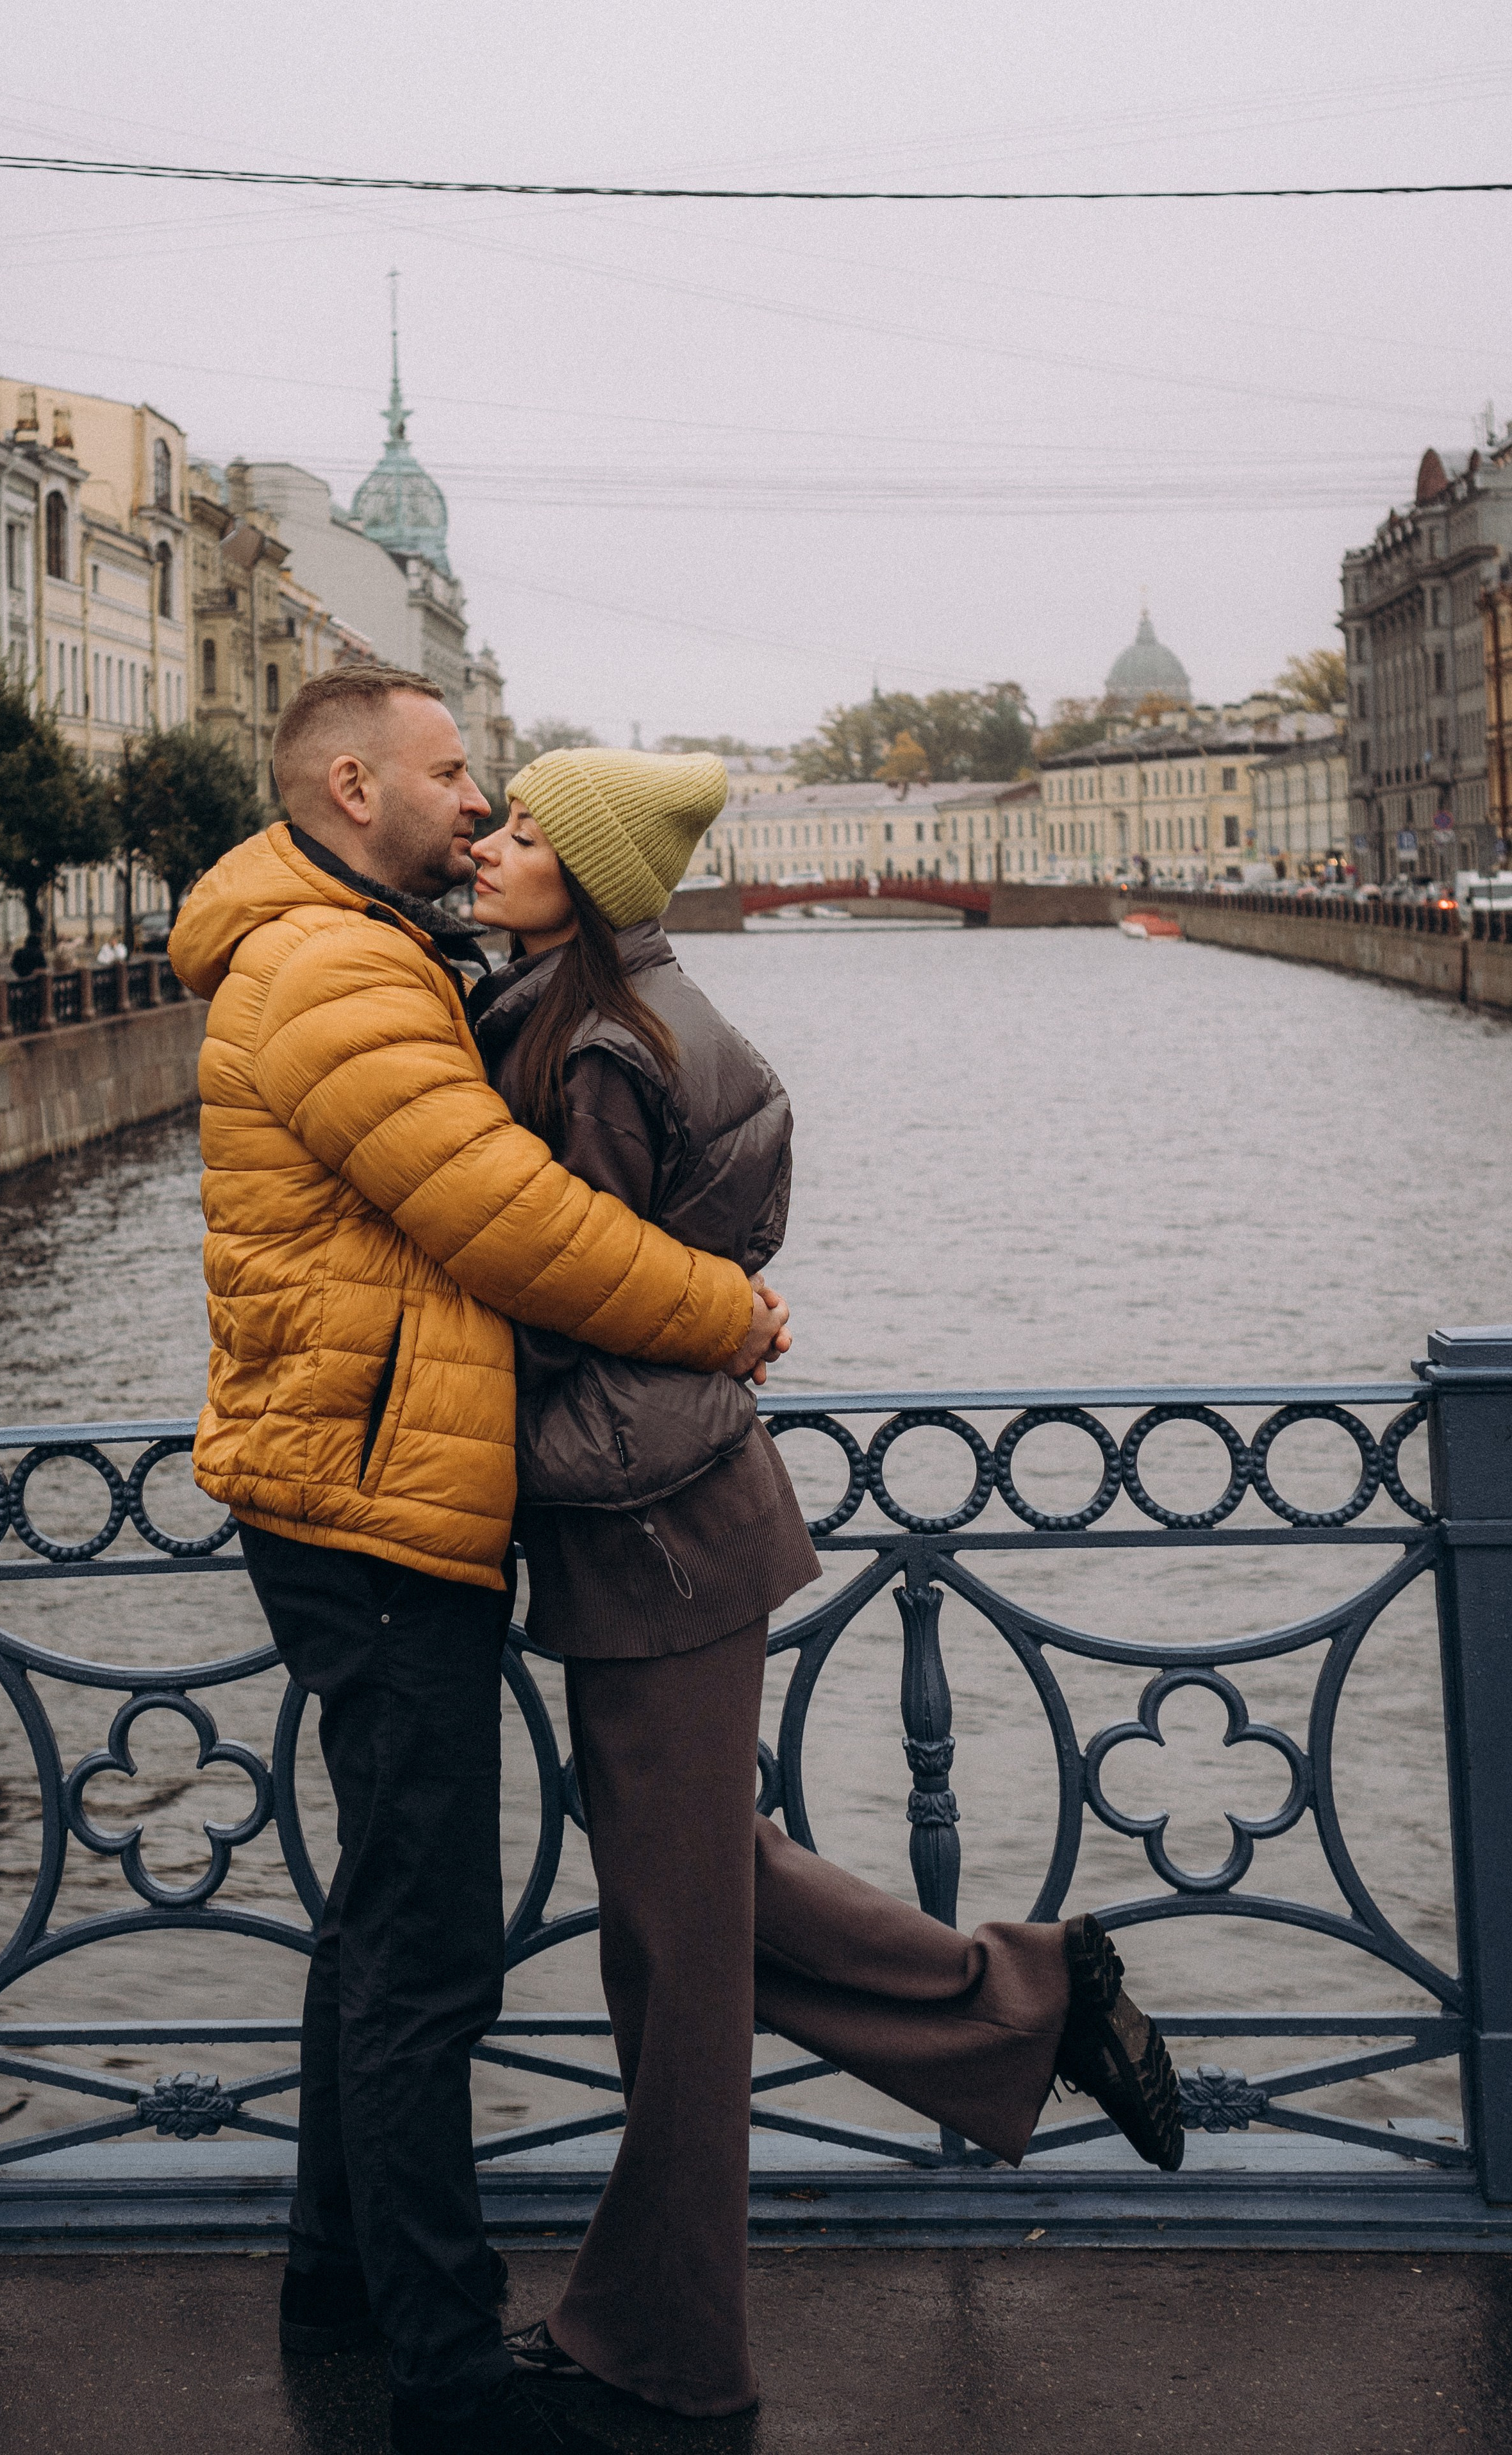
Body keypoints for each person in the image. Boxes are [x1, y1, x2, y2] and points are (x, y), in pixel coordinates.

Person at [467, 747, 1184, 2421]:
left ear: (591, 875)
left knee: (675, 1963)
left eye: (525, 829)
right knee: (705, 1905)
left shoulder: (594, 1052)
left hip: (650, 1523)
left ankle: (667, 2350)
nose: (492, 843)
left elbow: (570, 1293)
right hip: (674, 1510)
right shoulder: (623, 1015)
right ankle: (1036, 1999)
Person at [168, 669, 788, 2455]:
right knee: (430, 1948)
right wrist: (725, 1315)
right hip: (371, 1499)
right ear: (354, 788)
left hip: (364, 1480)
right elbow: (509, 1224)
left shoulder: (360, 944)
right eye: (452, 774)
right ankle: (445, 2374)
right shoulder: (338, 969)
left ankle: (337, 2279)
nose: (475, 801)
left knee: (385, 1913)